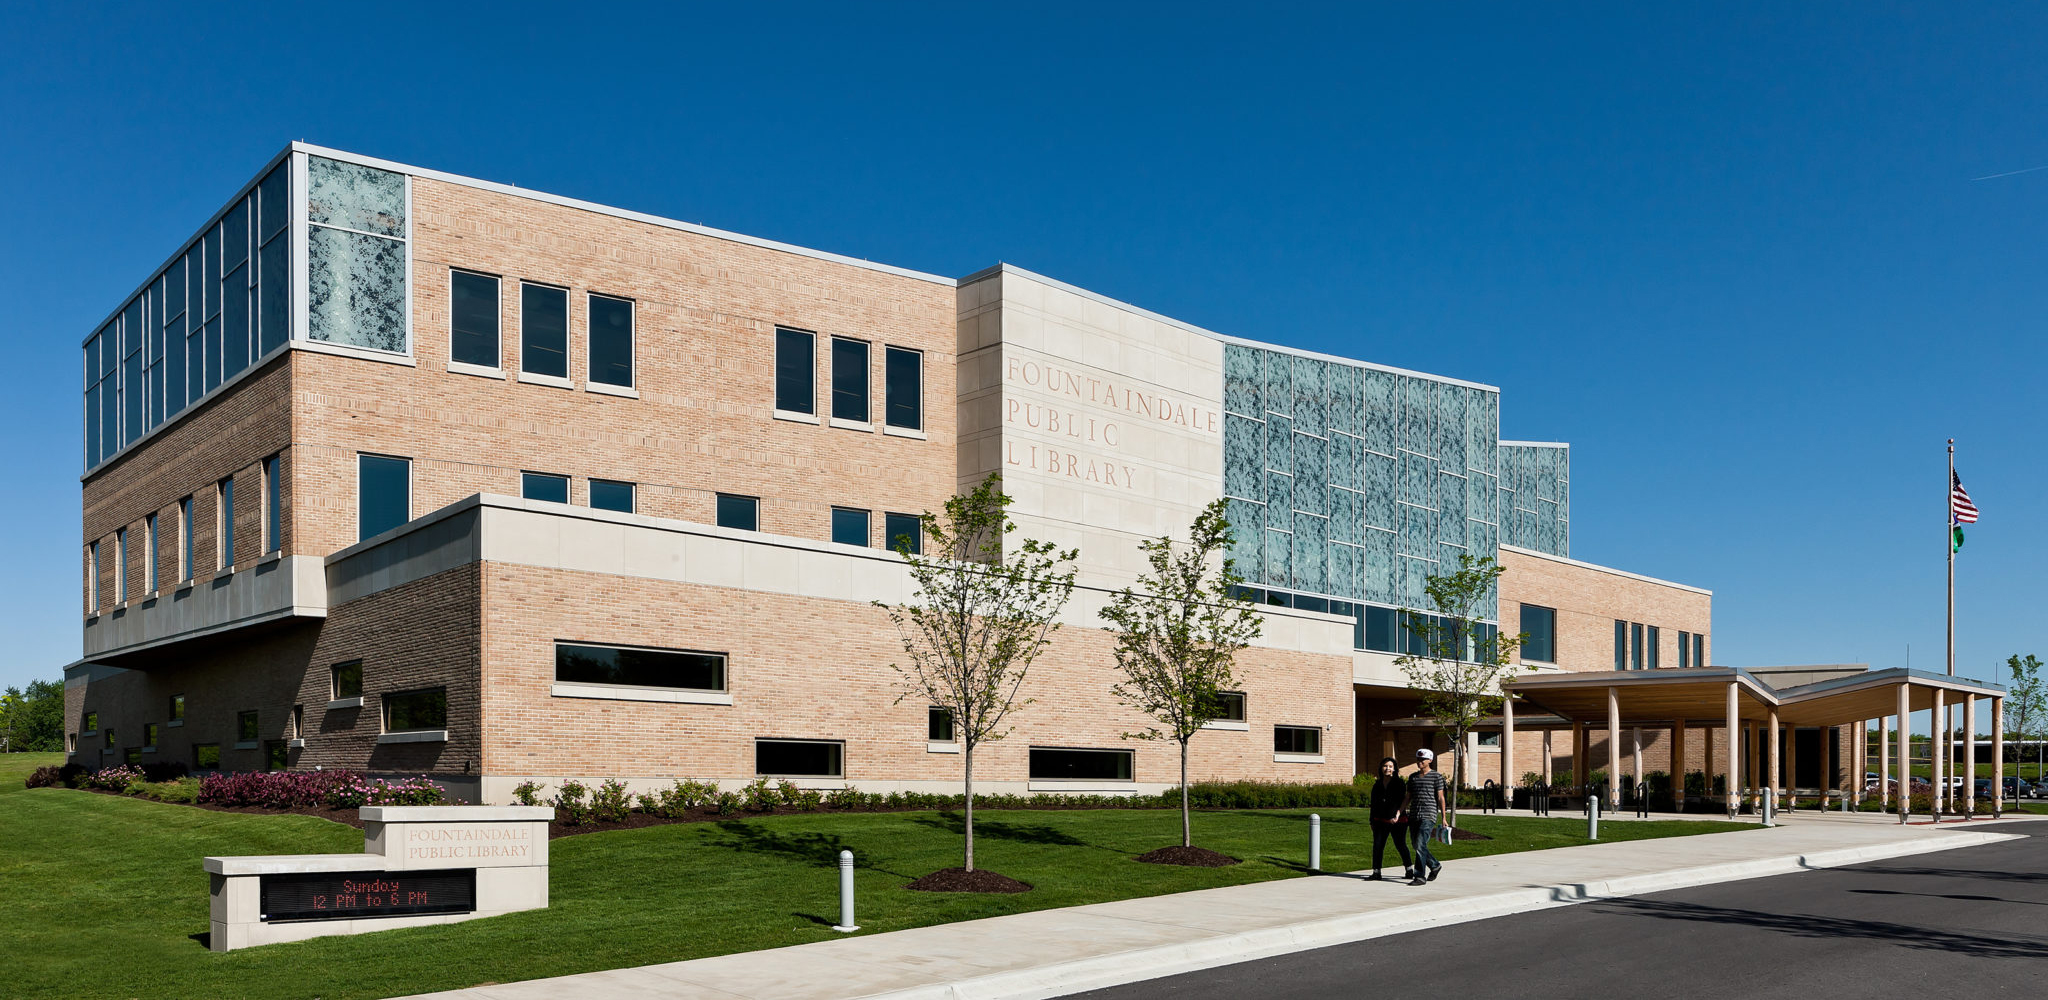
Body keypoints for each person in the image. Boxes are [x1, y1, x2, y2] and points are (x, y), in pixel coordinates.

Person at [1366, 757, 1411, 881]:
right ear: (1381, 768)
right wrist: (1372, 820)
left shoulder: (1399, 783)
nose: (1388, 769)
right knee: (1378, 846)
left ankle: (1409, 869)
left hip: (1398, 821)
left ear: (1394, 769)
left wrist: (1395, 816)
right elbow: (1374, 804)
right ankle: (1376, 872)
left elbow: (1400, 801)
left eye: (1390, 766)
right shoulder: (1377, 784)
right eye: (1385, 766)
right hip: (1380, 821)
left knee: (1400, 845)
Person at [1407, 748, 1446, 885]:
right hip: (1413, 815)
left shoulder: (1436, 776)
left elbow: (1440, 797)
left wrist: (1443, 818)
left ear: (1430, 760)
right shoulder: (1413, 777)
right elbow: (1408, 797)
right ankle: (1435, 865)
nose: (1420, 762)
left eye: (1422, 760)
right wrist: (1400, 811)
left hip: (1428, 814)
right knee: (1416, 844)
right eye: (1418, 759)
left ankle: (1419, 876)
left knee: (1419, 844)